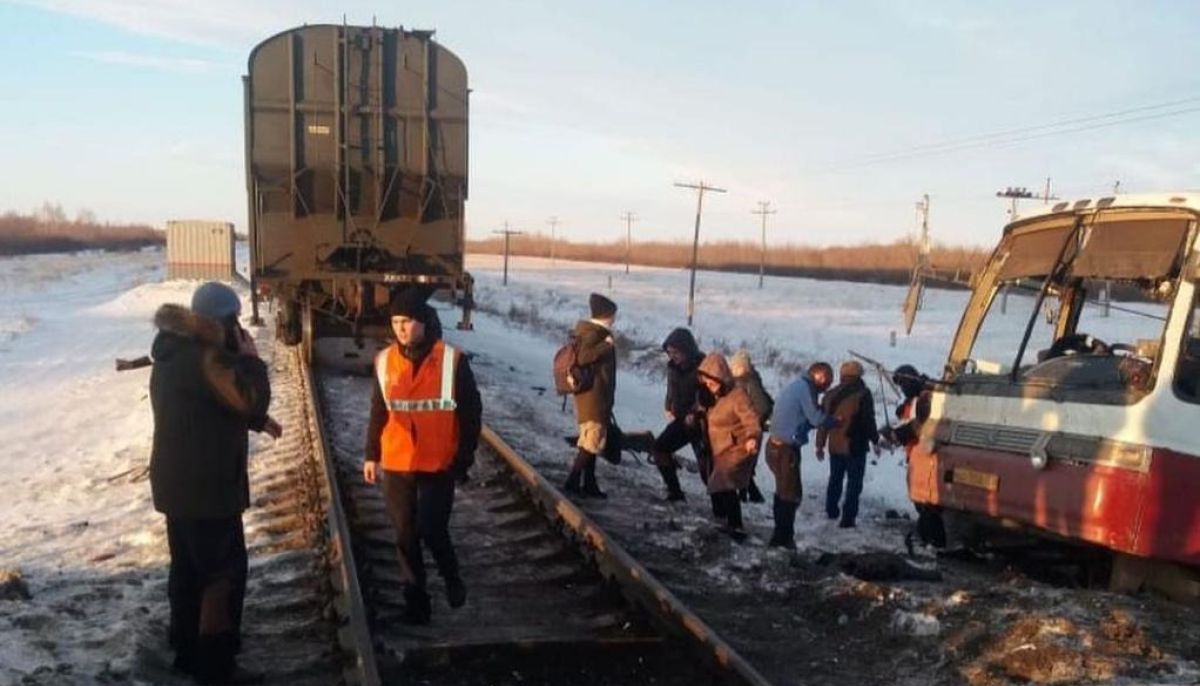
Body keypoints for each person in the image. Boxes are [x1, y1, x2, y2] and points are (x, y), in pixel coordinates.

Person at [149, 281, 281, 685]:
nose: (238, 328)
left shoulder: (174, 353)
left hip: (177, 486)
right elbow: (247, 397)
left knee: (187, 572)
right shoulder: (210, 359)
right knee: (222, 576)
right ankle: (216, 666)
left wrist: (257, 423)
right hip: (209, 489)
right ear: (221, 321)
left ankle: (187, 651)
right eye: (234, 320)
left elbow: (207, 404)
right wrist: (253, 361)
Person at [363, 288, 482, 625]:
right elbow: (378, 411)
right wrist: (371, 455)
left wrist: (463, 459)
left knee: (431, 528)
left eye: (408, 321)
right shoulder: (385, 361)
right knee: (404, 535)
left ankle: (451, 576)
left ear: (424, 322)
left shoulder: (451, 361)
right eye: (396, 322)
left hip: (437, 463)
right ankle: (416, 603)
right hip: (397, 461)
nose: (401, 328)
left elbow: (471, 415)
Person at [764, 362, 836, 549]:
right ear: (819, 376)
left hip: (773, 445)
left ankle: (782, 535)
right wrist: (833, 421)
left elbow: (803, 419)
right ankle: (782, 538)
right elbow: (815, 418)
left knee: (784, 492)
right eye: (827, 383)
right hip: (785, 450)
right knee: (790, 495)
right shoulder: (806, 389)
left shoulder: (796, 385)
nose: (826, 388)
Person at [697, 353, 763, 541]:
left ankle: (736, 526)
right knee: (718, 484)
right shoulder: (712, 396)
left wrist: (752, 438)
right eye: (706, 384)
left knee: (724, 482)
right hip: (720, 447)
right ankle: (724, 519)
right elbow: (706, 411)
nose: (709, 387)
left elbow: (752, 420)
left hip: (738, 447)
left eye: (712, 383)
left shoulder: (738, 395)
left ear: (721, 378)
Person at [563, 293, 618, 498]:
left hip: (595, 396)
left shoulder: (593, 332)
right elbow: (584, 357)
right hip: (594, 397)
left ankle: (589, 483)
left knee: (593, 441)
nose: (614, 319)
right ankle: (573, 481)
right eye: (613, 315)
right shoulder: (595, 335)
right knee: (591, 441)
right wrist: (607, 345)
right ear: (606, 315)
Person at [815, 361, 881, 528]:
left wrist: (820, 445)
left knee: (835, 479)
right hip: (855, 446)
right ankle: (848, 518)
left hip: (835, 445)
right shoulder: (863, 394)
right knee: (854, 483)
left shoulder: (830, 394)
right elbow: (868, 420)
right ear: (859, 375)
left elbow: (823, 422)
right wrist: (875, 440)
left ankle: (831, 510)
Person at [650, 328, 707, 501]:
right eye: (669, 352)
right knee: (660, 448)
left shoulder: (702, 366)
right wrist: (669, 406)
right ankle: (674, 491)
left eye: (676, 352)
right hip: (681, 419)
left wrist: (694, 413)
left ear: (687, 350)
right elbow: (671, 389)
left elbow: (705, 395)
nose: (672, 356)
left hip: (701, 423)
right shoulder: (673, 367)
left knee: (707, 468)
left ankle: (726, 513)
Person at [729, 350, 771, 503]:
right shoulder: (741, 381)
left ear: (743, 367)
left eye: (736, 367)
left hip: (749, 429)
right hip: (743, 427)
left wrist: (750, 421)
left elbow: (763, 406)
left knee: (744, 461)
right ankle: (750, 494)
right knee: (743, 461)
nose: (733, 369)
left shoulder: (750, 382)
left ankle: (746, 495)